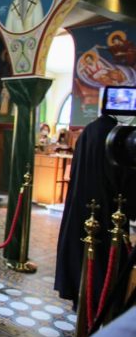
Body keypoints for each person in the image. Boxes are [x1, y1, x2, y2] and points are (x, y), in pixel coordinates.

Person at [54, 115, 136, 310]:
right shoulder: (119, 136)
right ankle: (100, 307)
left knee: (81, 255)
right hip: (108, 210)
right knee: (104, 261)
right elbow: (125, 177)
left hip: (81, 206)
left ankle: (80, 299)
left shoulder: (87, 132)